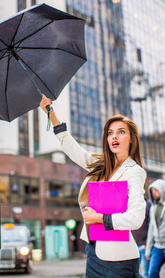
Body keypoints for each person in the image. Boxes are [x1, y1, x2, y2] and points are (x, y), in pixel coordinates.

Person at [40, 95, 146, 278]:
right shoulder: (102, 166)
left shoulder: (134, 171)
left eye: (121, 132)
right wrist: (52, 115)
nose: (114, 136)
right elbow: (73, 149)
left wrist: (100, 218)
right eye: (110, 132)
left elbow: (136, 218)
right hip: (94, 253)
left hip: (119, 261)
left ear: (131, 139)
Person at [145, 179, 165, 278]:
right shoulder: (152, 208)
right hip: (157, 248)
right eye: (152, 191)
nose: (154, 193)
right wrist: (148, 250)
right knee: (152, 274)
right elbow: (151, 229)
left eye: (156, 190)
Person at [132, 197, 151, 278]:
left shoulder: (147, 204)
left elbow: (151, 225)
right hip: (133, 245)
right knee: (133, 272)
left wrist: (146, 244)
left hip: (143, 245)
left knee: (145, 273)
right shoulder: (131, 204)